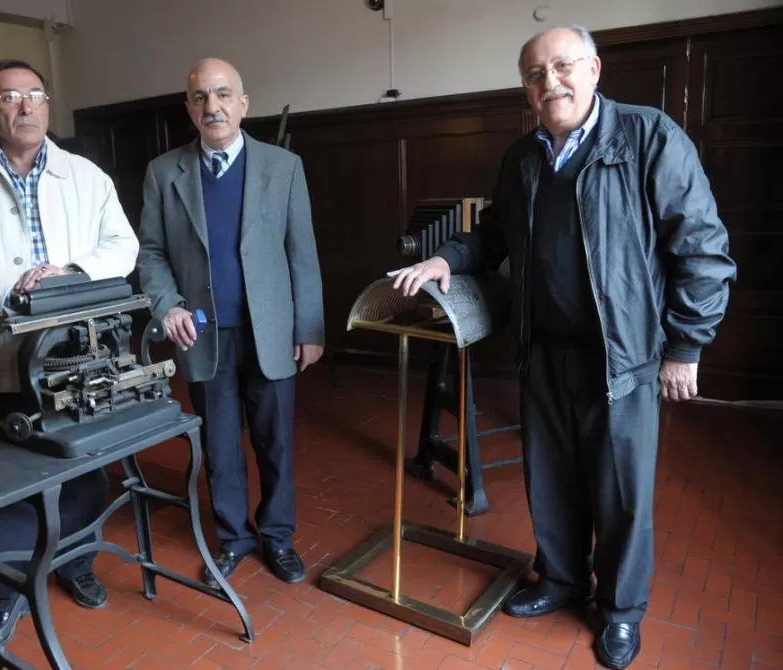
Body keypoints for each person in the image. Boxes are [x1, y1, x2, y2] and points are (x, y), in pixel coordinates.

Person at [388, 25, 735, 670]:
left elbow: (702, 251)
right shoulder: (523, 158)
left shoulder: (649, 137)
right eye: (535, 74)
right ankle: (561, 580)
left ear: (594, 69)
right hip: (544, 353)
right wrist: (444, 259)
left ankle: (622, 611)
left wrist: (686, 344)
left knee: (621, 493)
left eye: (563, 67)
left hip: (623, 356)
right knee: (549, 478)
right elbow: (491, 237)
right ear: (526, 88)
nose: (551, 82)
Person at [0, 59, 140, 654]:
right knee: (10, 478)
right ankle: (6, 597)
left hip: (78, 355)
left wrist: (70, 274)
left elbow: (122, 244)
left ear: (48, 105)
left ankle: (75, 565)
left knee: (84, 473)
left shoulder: (85, 175)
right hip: (4, 351)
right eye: (11, 97)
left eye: (36, 95)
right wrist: (17, 282)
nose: (25, 107)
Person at [137, 58, 325, 587]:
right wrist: (166, 304)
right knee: (219, 445)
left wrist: (309, 328)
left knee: (276, 442)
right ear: (189, 108)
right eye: (200, 97)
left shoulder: (283, 166)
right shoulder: (163, 172)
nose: (212, 106)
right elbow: (150, 253)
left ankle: (278, 536)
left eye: (223, 95)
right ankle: (234, 537)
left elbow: (302, 253)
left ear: (244, 104)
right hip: (201, 334)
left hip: (271, 333)